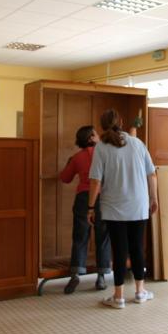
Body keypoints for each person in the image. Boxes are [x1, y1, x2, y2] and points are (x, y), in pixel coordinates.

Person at [88, 109, 158, 309]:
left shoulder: (101, 147)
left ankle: (118, 296)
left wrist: (91, 207)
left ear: (102, 125)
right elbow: (152, 174)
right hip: (138, 205)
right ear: (121, 121)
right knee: (137, 248)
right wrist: (154, 198)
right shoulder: (137, 143)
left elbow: (95, 181)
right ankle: (140, 292)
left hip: (113, 208)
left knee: (119, 251)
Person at [59, 125, 111, 294]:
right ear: (91, 138)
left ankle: (75, 275)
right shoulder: (104, 154)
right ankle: (101, 277)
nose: (98, 136)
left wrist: (69, 163)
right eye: (96, 134)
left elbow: (65, 178)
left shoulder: (77, 157)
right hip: (102, 198)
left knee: (80, 236)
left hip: (83, 198)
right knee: (103, 237)